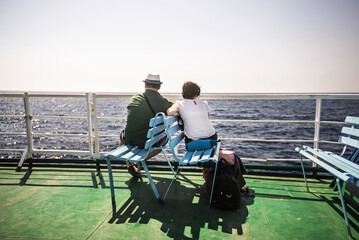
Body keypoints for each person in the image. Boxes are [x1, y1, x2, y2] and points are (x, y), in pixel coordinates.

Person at [120, 73, 173, 177]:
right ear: (159, 87)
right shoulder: (162, 101)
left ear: (145, 85)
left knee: (122, 135)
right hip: (148, 143)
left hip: (130, 139)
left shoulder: (135, 97)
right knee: (163, 142)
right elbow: (174, 109)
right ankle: (141, 160)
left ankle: (128, 163)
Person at [167, 81, 217, 146]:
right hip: (212, 138)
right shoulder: (204, 103)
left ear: (183, 93)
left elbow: (170, 112)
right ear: (197, 93)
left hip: (194, 142)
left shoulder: (180, 104)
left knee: (190, 139)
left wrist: (180, 113)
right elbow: (207, 119)